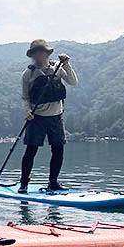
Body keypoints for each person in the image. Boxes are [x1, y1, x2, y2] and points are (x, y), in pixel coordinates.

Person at [19, 39, 78, 193]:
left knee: (58, 149)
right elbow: (25, 98)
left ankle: (53, 182)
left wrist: (66, 64)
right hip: (36, 117)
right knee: (31, 151)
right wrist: (28, 111)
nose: (40, 54)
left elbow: (73, 81)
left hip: (56, 116)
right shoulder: (28, 74)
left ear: (47, 52)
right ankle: (24, 183)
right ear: (32, 55)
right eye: (36, 52)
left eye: (42, 51)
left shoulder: (57, 68)